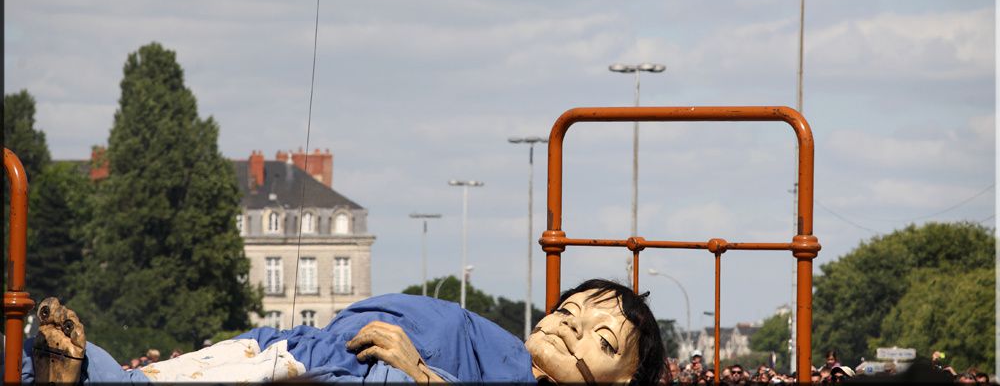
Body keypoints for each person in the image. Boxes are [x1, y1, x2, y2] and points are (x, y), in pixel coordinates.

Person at [22, 278, 664, 384]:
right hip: (315, 353)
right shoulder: (496, 348)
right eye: (570, 313)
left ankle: (78, 370)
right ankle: (76, 367)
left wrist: (418, 371)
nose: (571, 332)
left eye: (602, 342)